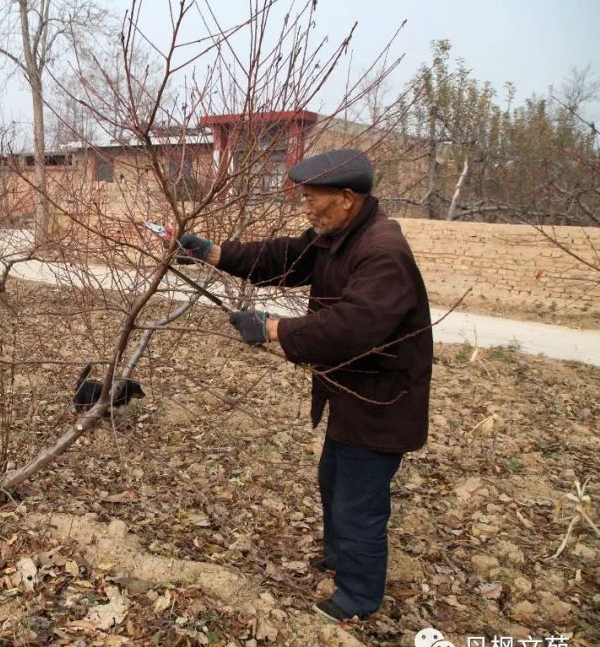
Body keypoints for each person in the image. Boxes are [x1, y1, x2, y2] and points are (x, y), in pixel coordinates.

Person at [178, 148, 433, 622]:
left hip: (382, 400)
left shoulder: (381, 252)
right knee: (334, 479)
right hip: (353, 394)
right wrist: (215, 252)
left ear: (347, 198)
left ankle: (356, 597)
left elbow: (353, 326)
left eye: (312, 198)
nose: (306, 207)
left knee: (360, 500)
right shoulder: (339, 235)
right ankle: (340, 558)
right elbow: (285, 257)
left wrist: (275, 328)